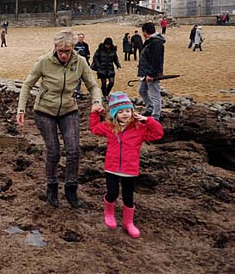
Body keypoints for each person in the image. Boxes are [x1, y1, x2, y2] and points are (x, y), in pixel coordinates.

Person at [16, 30, 103, 208]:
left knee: (73, 150)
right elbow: (27, 84)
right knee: (54, 150)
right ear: (55, 48)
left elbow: (93, 85)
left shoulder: (80, 62)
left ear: (73, 49)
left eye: (68, 51)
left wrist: (96, 102)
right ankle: (52, 186)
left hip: (69, 110)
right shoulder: (43, 62)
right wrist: (21, 109)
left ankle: (71, 188)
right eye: (60, 50)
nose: (64, 55)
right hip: (44, 111)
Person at [90, 92, 163, 238]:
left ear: (132, 112)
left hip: (130, 169)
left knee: (128, 197)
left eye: (128, 111)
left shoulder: (140, 129)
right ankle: (109, 212)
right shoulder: (109, 127)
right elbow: (94, 128)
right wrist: (95, 113)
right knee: (112, 193)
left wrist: (148, 120)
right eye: (121, 111)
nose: (125, 114)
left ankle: (128, 222)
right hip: (111, 168)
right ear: (114, 114)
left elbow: (158, 134)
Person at [138, 22, 165, 121]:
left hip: (152, 74)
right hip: (145, 73)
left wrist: (151, 74)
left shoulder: (156, 42)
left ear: (145, 31)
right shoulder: (151, 41)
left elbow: (156, 61)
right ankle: (150, 108)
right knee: (142, 90)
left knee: (154, 94)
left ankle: (155, 116)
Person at [73, 32, 91, 97]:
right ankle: (76, 89)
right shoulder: (74, 45)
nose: (81, 38)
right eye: (80, 37)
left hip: (84, 62)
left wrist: (87, 57)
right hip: (76, 63)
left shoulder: (85, 45)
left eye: (82, 37)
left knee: (83, 77)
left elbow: (88, 52)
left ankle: (78, 89)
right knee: (77, 77)